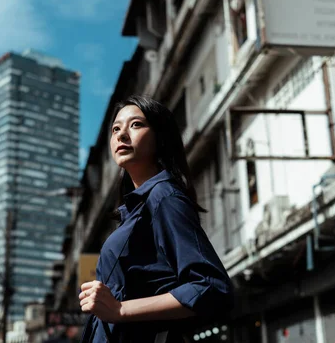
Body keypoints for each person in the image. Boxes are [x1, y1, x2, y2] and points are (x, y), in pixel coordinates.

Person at [79, 96, 234, 342]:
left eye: (136, 125)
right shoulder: (135, 209)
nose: (122, 135)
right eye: (116, 129)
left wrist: (120, 309)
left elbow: (211, 286)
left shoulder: (164, 197)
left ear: (160, 137)